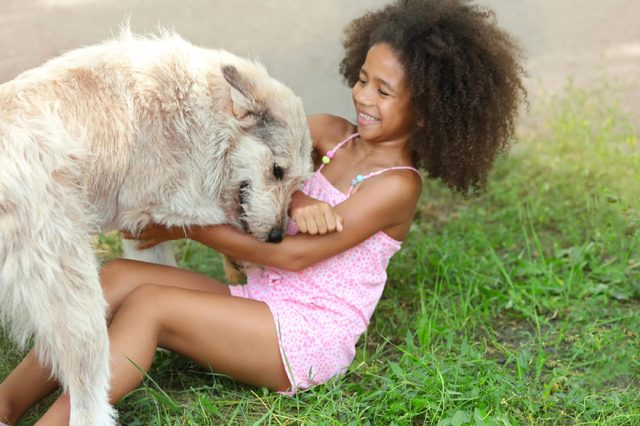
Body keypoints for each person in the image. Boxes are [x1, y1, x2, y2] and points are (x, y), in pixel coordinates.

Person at [0, 0, 525, 423]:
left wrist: (183, 226)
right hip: (258, 298)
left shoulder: (396, 187)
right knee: (116, 276)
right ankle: (6, 405)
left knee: (151, 306)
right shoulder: (331, 136)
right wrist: (300, 196)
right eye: (363, 78)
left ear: (430, 111)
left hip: (302, 333)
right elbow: (274, 164)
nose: (363, 96)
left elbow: (293, 257)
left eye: (383, 91)